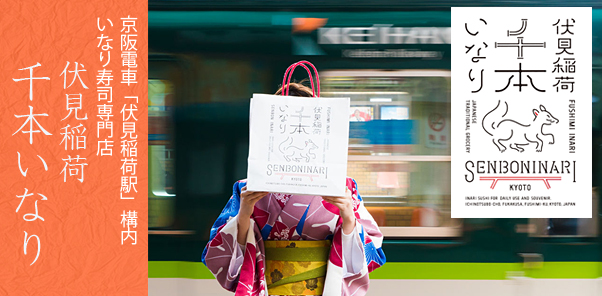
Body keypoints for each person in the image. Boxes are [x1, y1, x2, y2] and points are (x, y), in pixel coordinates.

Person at [201, 83, 386, 296]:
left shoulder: (343, 188)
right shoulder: (247, 189)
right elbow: (219, 255)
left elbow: (373, 254)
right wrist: (244, 213)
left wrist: (348, 218)